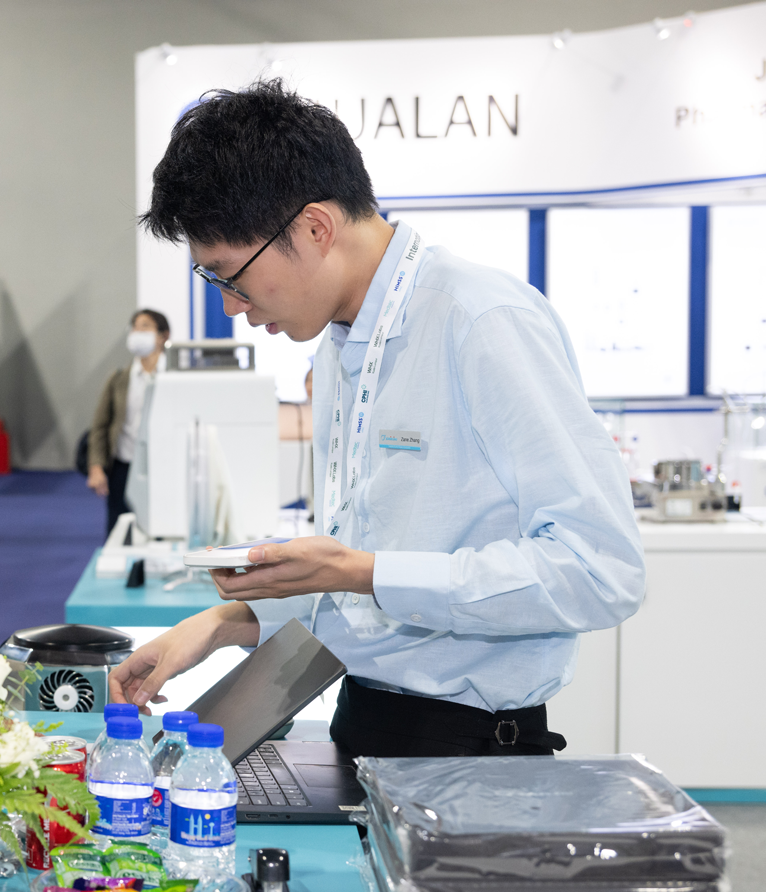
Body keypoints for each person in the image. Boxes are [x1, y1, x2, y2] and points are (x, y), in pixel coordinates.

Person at [110, 79, 645, 759]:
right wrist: (224, 622)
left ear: (314, 228)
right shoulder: (336, 347)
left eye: (230, 276)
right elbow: (362, 579)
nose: (231, 306)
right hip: (363, 718)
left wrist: (361, 570)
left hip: (471, 750)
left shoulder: (480, 320)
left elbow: (601, 570)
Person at [87, 308, 169, 534]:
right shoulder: (119, 378)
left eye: (145, 326)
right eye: (134, 327)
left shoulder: (175, 377)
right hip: (124, 467)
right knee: (119, 532)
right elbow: (100, 425)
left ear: (163, 336)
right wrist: (96, 466)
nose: (137, 332)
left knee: (161, 530)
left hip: (163, 468)